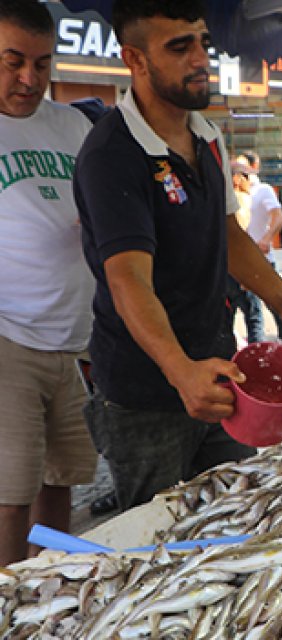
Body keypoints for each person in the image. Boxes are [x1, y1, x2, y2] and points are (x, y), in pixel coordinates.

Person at [74, 0, 282, 510]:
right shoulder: (112, 154)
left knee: (240, 514)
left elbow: (229, 235)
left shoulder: (206, 135)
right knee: (161, 535)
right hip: (148, 395)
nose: (200, 59)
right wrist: (180, 371)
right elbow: (128, 279)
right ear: (135, 59)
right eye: (179, 47)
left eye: (203, 43)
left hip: (220, 374)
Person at [0, 0, 98, 565]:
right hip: (9, 335)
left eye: (42, 63)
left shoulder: (73, 125)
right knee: (9, 496)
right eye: (12, 61)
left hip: (73, 340)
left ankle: (48, 590)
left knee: (62, 481)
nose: (28, 79)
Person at [235, 152, 282, 340]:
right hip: (236, 263)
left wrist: (266, 239)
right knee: (249, 312)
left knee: (272, 307)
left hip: (260, 259)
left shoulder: (261, 191)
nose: (236, 175)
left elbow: (278, 217)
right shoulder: (228, 195)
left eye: (240, 170)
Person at [226, 160, 266, 343]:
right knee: (254, 317)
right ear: (236, 178)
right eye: (247, 177)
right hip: (240, 269)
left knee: (227, 319)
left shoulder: (218, 200)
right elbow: (238, 237)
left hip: (224, 269)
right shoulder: (239, 201)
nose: (250, 181)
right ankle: (258, 355)